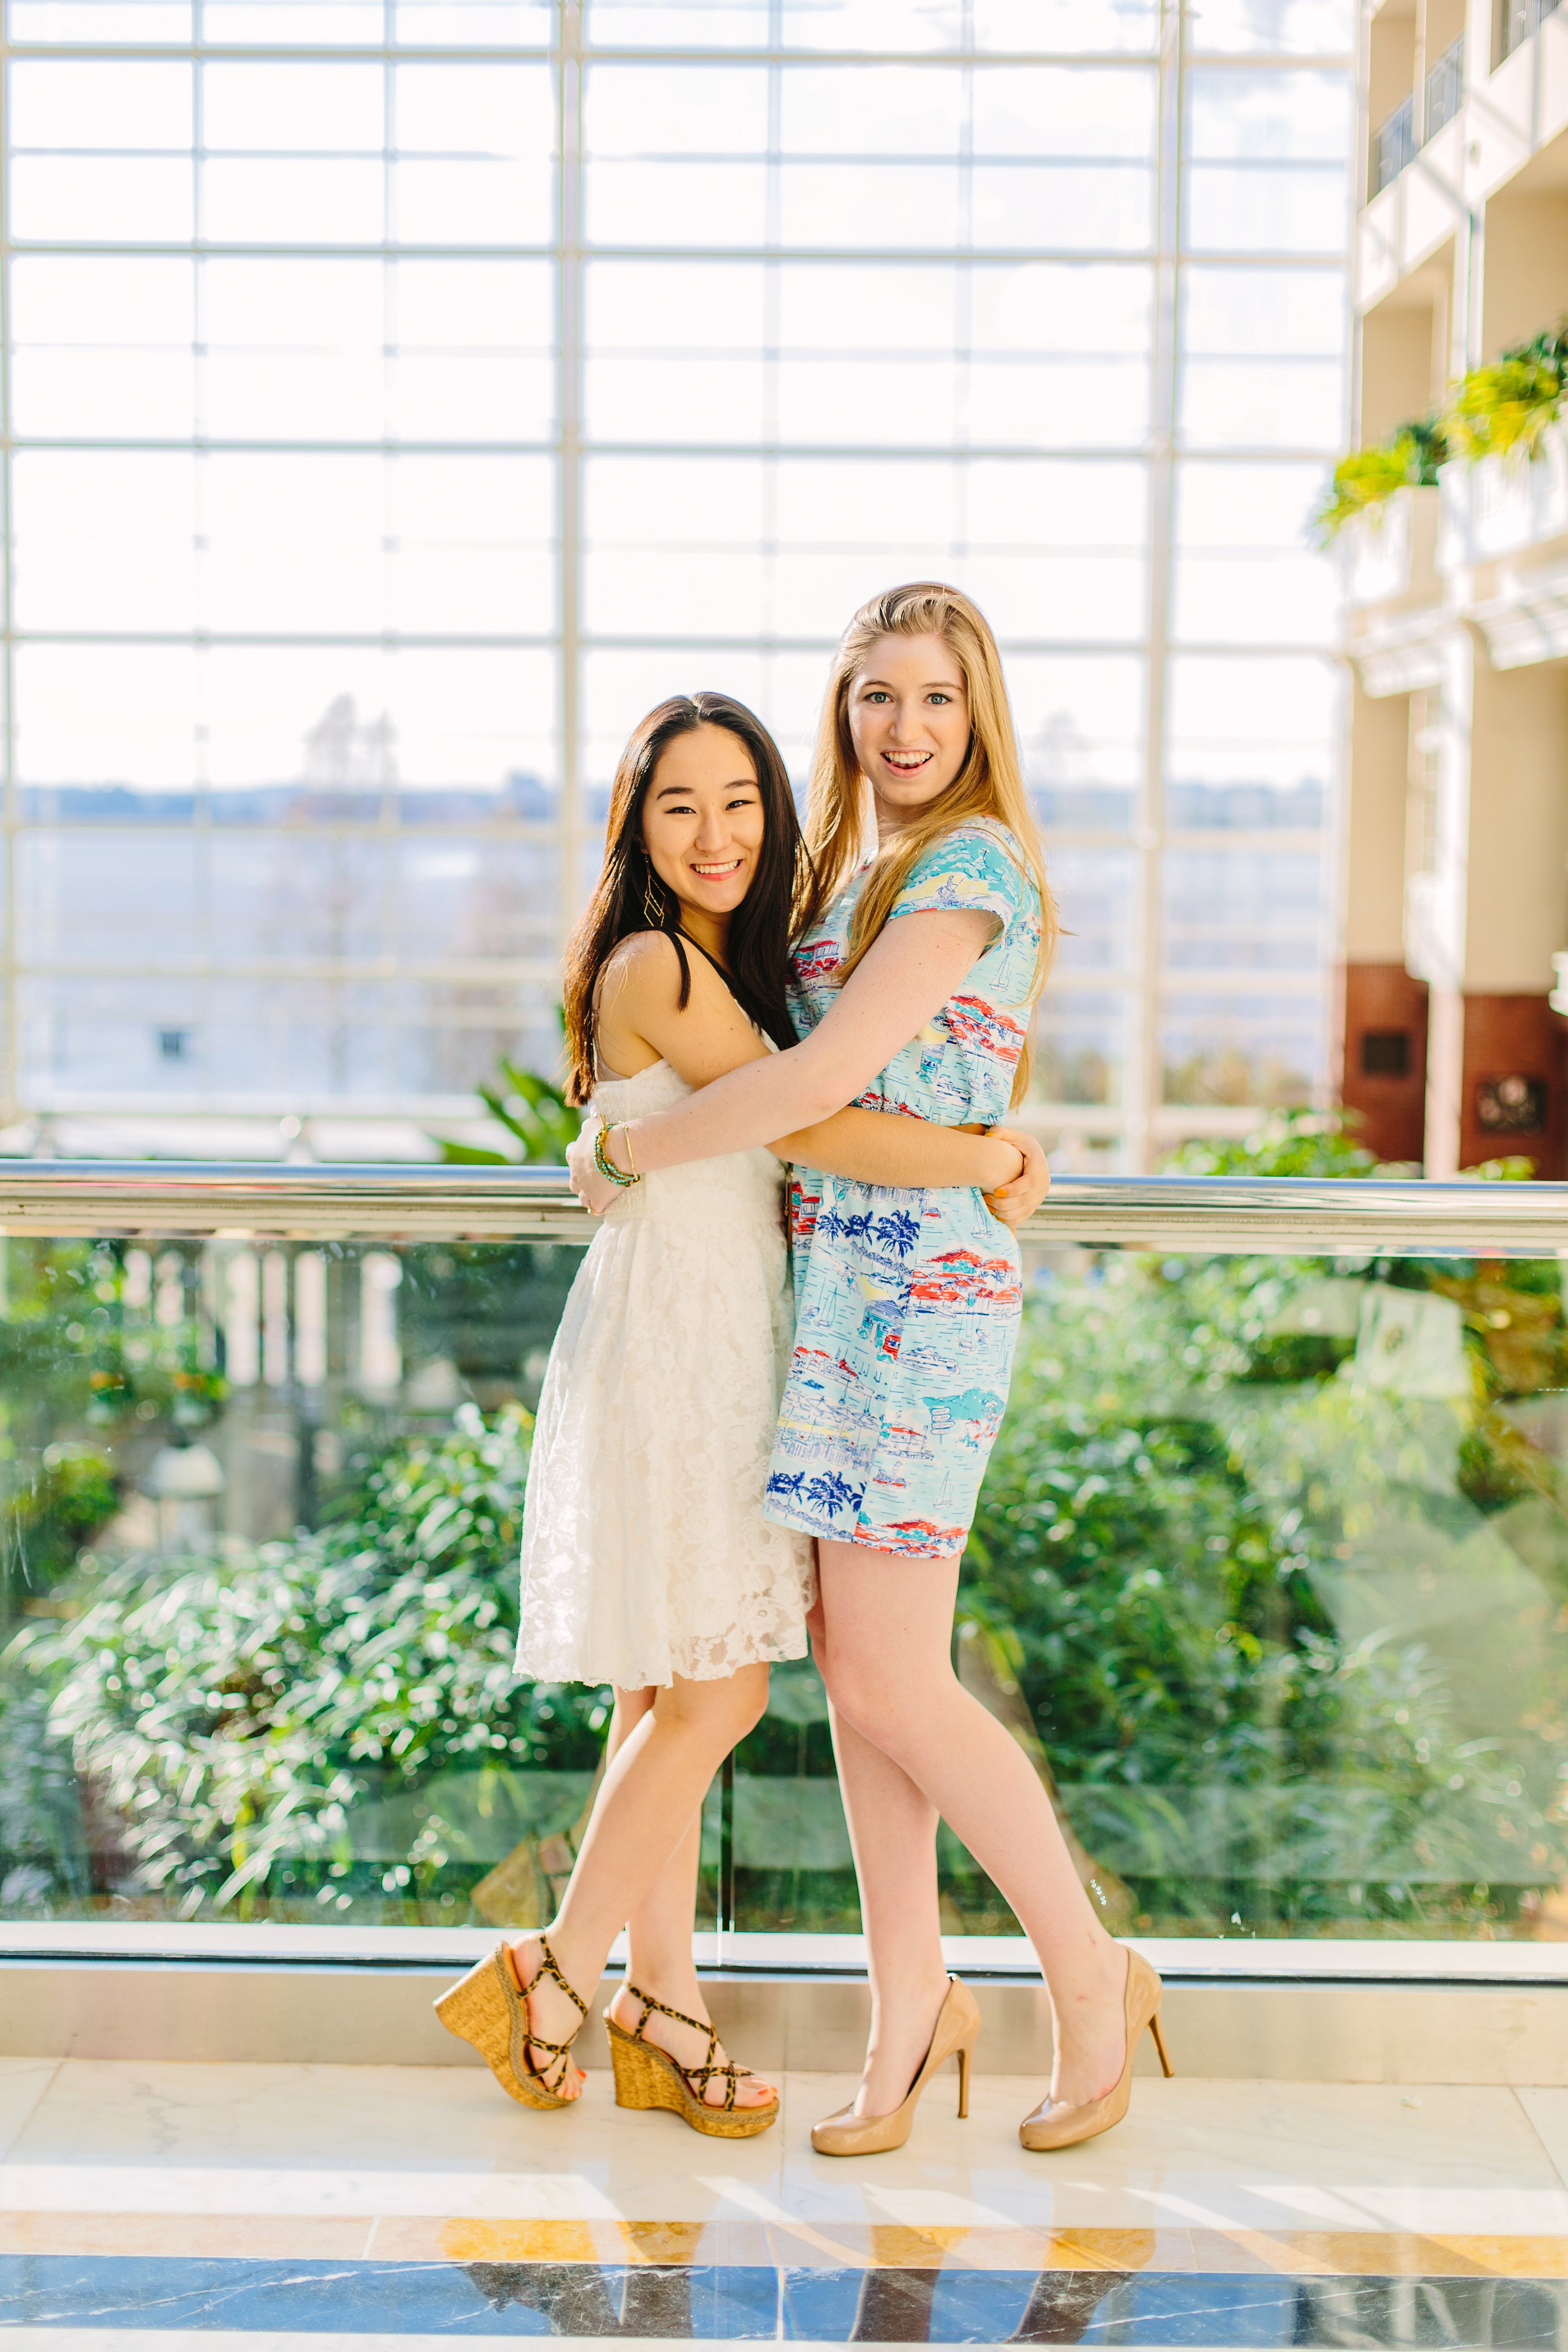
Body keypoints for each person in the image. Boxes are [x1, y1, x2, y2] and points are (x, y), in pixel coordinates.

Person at [568, 586, 1173, 2157]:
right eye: (874, 697)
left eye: (936, 699)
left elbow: (827, 1075)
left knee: (896, 1677)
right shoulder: (851, 866)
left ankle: (1091, 1973)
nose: (904, 728)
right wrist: (985, 1142)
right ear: (842, 713)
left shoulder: (970, 866)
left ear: (978, 719)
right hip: (833, 1292)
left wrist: (629, 1148)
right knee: (853, 1678)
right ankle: (909, 2000)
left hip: (921, 1300)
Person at [436, 689, 1048, 2139]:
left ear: (775, 809)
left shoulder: (720, 956)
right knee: (717, 1688)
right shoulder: (659, 957)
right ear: (634, 830)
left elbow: (774, 1115)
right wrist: (990, 1148)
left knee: (664, 1687)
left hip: (723, 1320)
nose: (716, 833)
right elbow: (813, 1120)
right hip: (687, 1340)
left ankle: (663, 2005)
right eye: (677, 806)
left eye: (738, 801)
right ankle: (556, 1973)